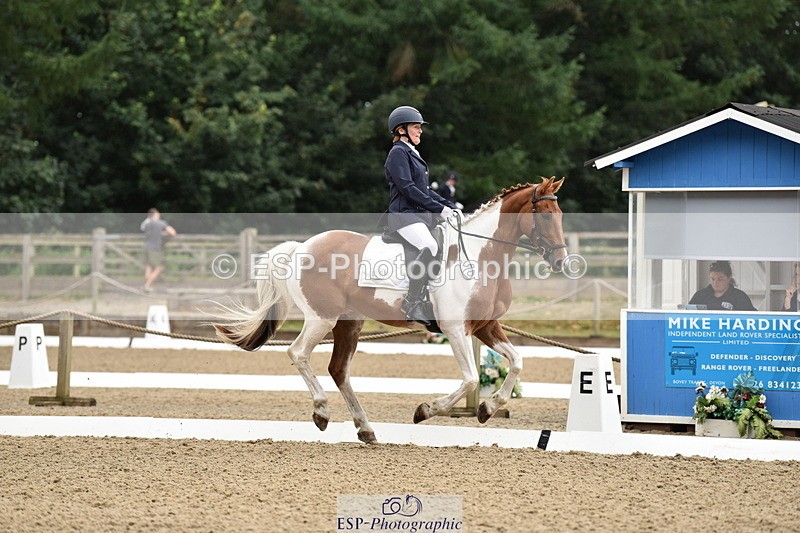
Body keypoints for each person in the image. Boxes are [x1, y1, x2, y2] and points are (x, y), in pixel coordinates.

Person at [384, 105, 458, 326]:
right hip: (403, 216)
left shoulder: (412, 153)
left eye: (419, 127)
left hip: (417, 216)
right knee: (430, 246)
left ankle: (430, 301)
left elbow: (424, 190)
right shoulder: (397, 153)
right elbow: (407, 188)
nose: (420, 131)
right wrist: (438, 209)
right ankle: (412, 303)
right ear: (401, 129)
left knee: (442, 245)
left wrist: (449, 207)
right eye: (416, 127)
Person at [688, 260, 756, 311]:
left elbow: (752, 319)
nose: (715, 282)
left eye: (720, 279)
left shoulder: (740, 297)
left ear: (729, 278)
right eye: (712, 279)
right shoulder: (700, 295)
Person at [140, 208, 177, 291]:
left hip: (146, 247)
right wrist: (166, 233)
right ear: (155, 215)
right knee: (158, 268)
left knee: (149, 266)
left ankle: (147, 285)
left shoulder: (146, 224)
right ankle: (147, 286)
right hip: (155, 248)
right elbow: (173, 232)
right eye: (158, 214)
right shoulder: (161, 223)